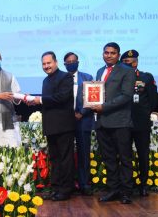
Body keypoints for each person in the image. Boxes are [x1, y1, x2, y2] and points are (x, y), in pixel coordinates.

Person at [90, 42, 135, 204]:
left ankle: (126, 192)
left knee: (124, 159)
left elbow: (126, 96)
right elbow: (98, 93)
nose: (108, 55)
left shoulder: (127, 71)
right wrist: (92, 103)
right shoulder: (100, 71)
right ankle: (113, 189)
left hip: (120, 122)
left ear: (118, 54)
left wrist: (103, 106)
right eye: (106, 52)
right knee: (108, 159)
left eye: (112, 53)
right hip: (102, 122)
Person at [32, 51, 76, 201]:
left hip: (64, 126)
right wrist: (36, 101)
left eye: (49, 63)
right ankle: (56, 188)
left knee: (66, 159)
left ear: (56, 62)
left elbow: (62, 97)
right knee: (55, 159)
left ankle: (66, 189)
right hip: (51, 126)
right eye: (44, 64)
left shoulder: (66, 77)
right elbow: (48, 102)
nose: (46, 66)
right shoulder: (45, 80)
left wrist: (40, 100)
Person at [120, 49, 158, 197]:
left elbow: (153, 99)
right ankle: (127, 186)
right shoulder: (120, 76)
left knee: (143, 154)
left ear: (136, 61)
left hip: (141, 122)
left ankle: (143, 185)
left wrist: (145, 112)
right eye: (124, 63)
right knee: (125, 155)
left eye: (129, 62)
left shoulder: (146, 77)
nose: (127, 65)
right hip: (123, 121)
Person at [63, 52, 94, 196]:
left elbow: (92, 97)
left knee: (83, 154)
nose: (71, 63)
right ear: (64, 64)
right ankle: (68, 184)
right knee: (66, 154)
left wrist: (81, 112)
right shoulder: (61, 78)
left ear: (78, 62)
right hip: (66, 121)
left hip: (84, 119)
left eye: (73, 61)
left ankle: (84, 184)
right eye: (68, 62)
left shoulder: (87, 78)